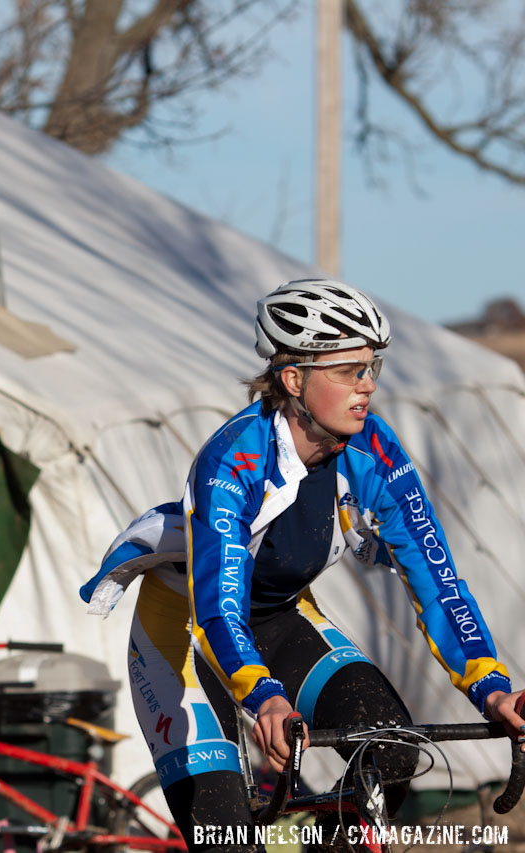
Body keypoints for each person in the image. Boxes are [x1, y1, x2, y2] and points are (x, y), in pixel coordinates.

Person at [80, 280, 525, 851]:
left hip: (278, 619)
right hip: (186, 632)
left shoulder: (375, 451)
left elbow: (437, 581)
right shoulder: (233, 461)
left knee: (390, 751)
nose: (366, 387)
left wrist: (492, 689)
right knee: (226, 836)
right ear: (293, 379)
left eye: (371, 368)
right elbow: (217, 608)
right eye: (346, 372)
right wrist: (264, 696)